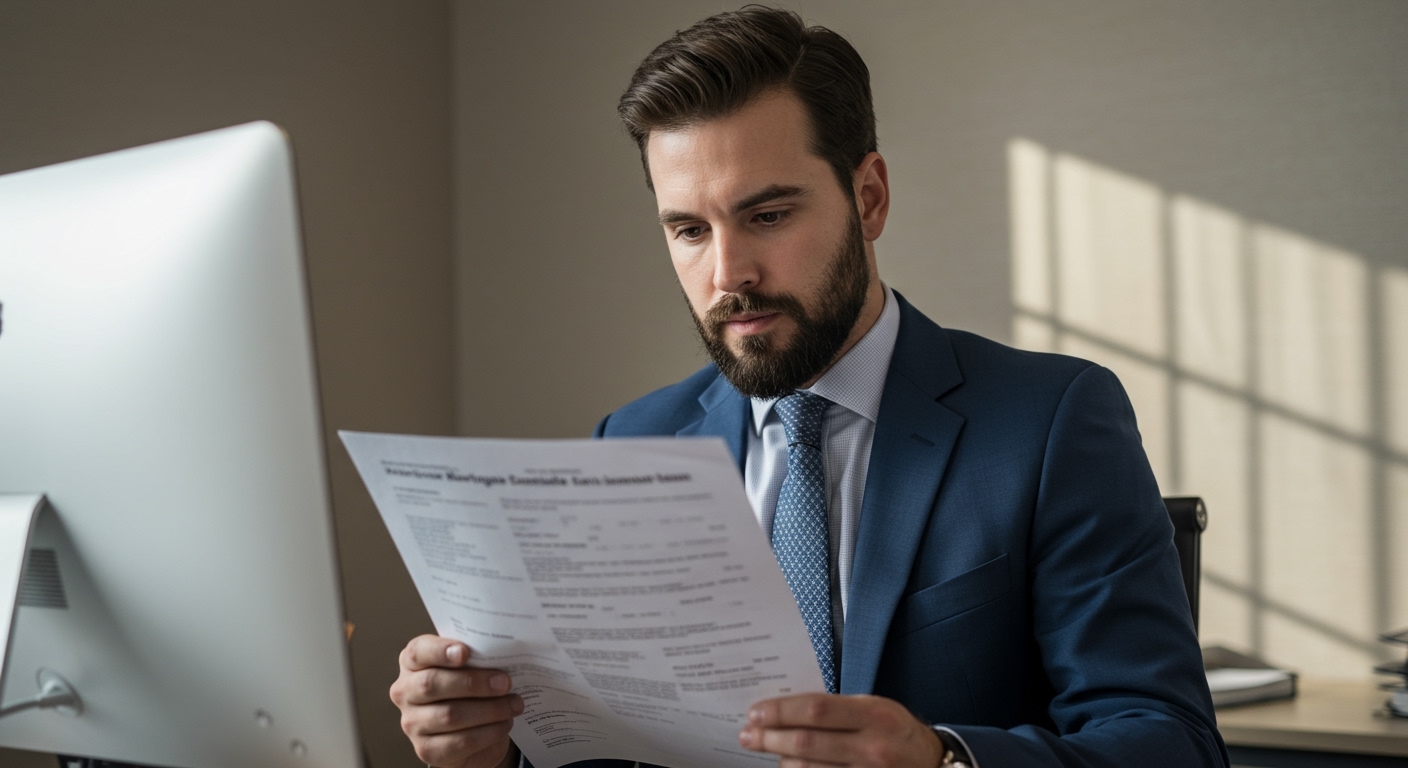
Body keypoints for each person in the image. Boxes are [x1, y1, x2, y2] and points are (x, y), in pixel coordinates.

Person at [390, 7, 1227, 768]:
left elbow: (1171, 743)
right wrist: (491, 754)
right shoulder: (631, 440)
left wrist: (943, 761)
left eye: (768, 215)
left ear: (868, 197)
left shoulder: (1049, 422)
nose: (729, 274)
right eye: (689, 229)